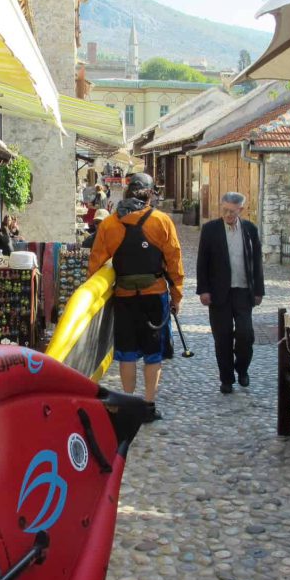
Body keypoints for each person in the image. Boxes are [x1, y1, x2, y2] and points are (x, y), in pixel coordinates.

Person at [89, 173, 183, 420]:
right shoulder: (161, 221)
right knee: (154, 353)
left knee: (127, 352)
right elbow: (174, 261)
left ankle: (129, 404)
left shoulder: (109, 224)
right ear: (150, 193)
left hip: (124, 297)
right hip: (155, 296)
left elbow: (96, 264)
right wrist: (177, 296)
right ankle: (149, 404)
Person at [196, 192, 265, 394]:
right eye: (224, 210)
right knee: (222, 337)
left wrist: (259, 290)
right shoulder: (210, 230)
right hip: (219, 293)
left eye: (232, 211)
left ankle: (242, 368)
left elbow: (257, 262)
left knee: (245, 334)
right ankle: (226, 378)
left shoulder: (250, 230)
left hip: (243, 291)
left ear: (240, 210)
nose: (227, 214)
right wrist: (203, 290)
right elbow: (202, 262)